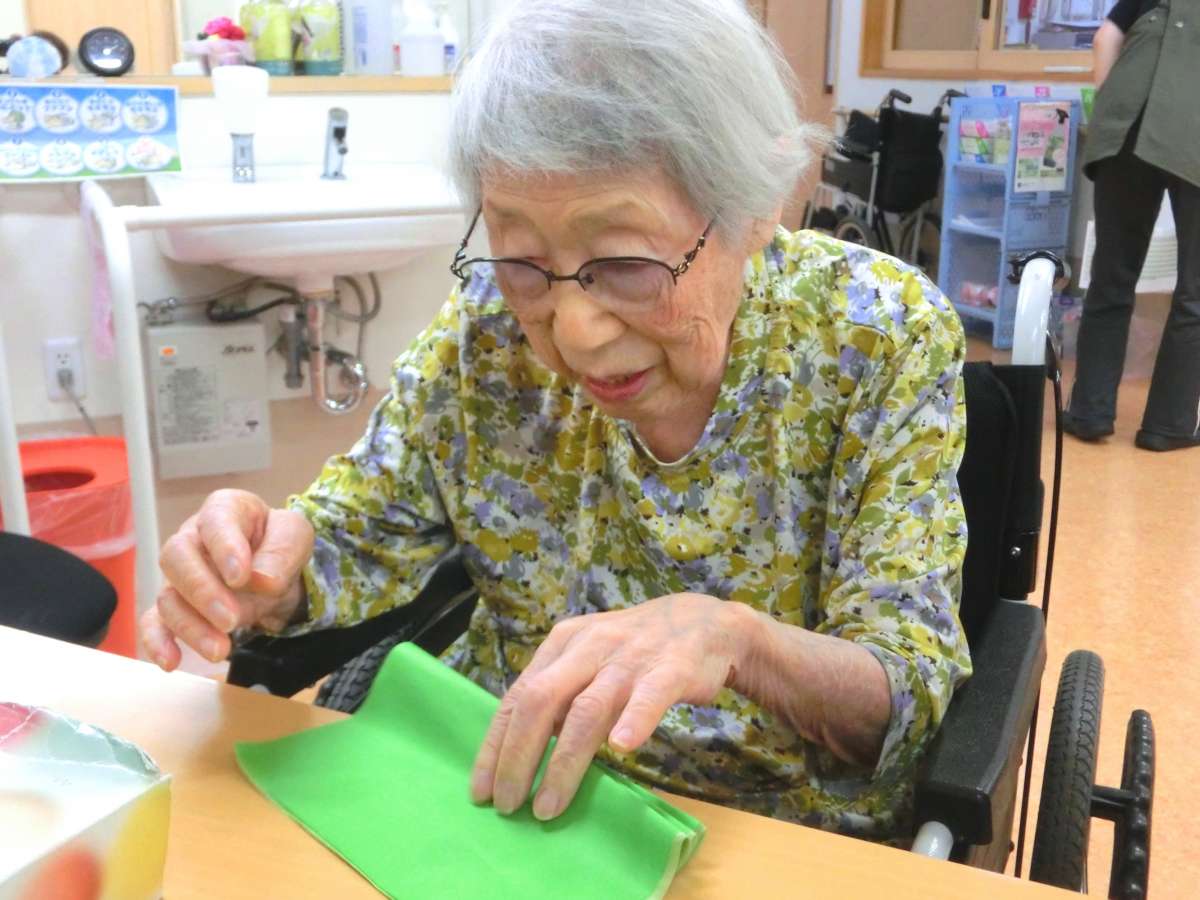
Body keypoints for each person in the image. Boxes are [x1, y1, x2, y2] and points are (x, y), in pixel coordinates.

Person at [141, 0, 971, 843]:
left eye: (625, 263)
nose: (575, 333)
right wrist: (267, 567)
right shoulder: (487, 325)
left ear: (754, 210)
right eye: (525, 263)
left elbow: (902, 695)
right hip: (504, 788)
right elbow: (360, 535)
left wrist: (739, 641)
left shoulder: (876, 332)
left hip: (770, 832)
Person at [1064, 0, 1200, 451]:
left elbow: (1105, 37)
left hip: (1123, 124)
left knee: (1111, 277)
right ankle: (1169, 425)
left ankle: (1089, 412)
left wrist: (1108, 104)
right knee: (1195, 293)